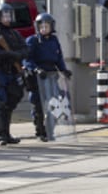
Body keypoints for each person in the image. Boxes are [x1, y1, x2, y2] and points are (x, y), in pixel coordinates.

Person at [0, 3, 28, 146]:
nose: (7, 18)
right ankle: (1, 134)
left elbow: (25, 49)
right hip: (0, 71)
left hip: (13, 71)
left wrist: (18, 55)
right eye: (4, 15)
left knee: (14, 98)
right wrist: (9, 54)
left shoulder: (14, 33)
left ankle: (7, 133)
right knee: (1, 102)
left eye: (9, 15)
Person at [24, 13, 71, 142]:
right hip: (38, 77)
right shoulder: (32, 40)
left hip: (51, 76)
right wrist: (36, 69)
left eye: (47, 26)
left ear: (52, 27)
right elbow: (27, 59)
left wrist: (64, 70)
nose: (44, 29)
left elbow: (58, 58)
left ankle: (50, 130)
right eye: (42, 26)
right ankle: (40, 131)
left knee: (54, 104)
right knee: (37, 105)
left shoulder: (54, 40)